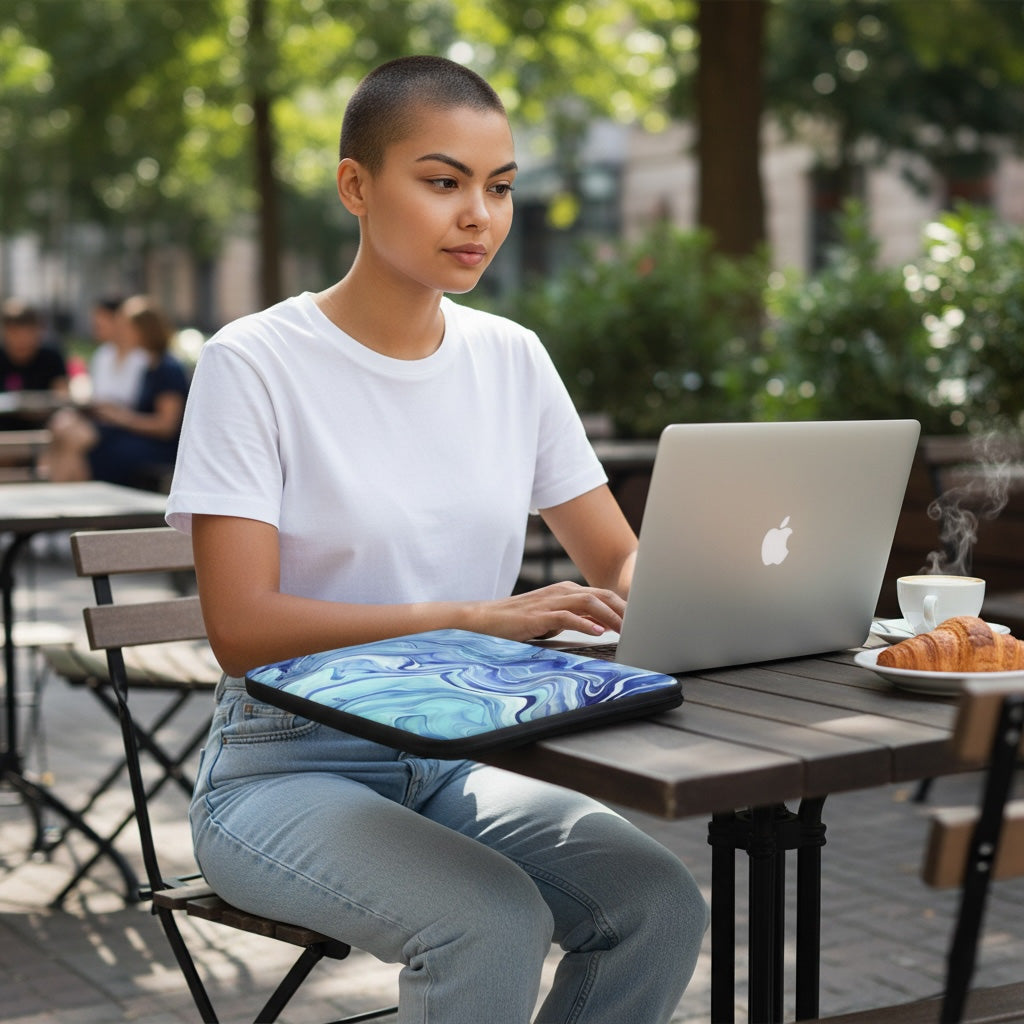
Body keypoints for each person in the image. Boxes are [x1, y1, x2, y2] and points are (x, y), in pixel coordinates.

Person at [166, 55, 708, 1024]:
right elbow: (240, 629)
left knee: (656, 903)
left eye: (498, 187)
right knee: (487, 919)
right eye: (442, 180)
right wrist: (474, 620)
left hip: (458, 755)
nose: (480, 216)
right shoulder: (253, 362)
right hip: (286, 766)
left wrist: (704, 594)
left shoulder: (511, 358)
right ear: (356, 186)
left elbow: (616, 558)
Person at [43, 295, 188, 486]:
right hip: (135, 434)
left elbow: (166, 426)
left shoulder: (167, 368)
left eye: (125, 328)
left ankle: (72, 501)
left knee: (84, 445)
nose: (120, 334)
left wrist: (121, 417)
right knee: (68, 433)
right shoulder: (150, 365)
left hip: (156, 446)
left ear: (143, 331)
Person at [0, 299, 68, 430]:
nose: (21, 341)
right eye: (15, 334)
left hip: (44, 424)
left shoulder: (51, 357)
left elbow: (62, 395)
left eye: (27, 334)